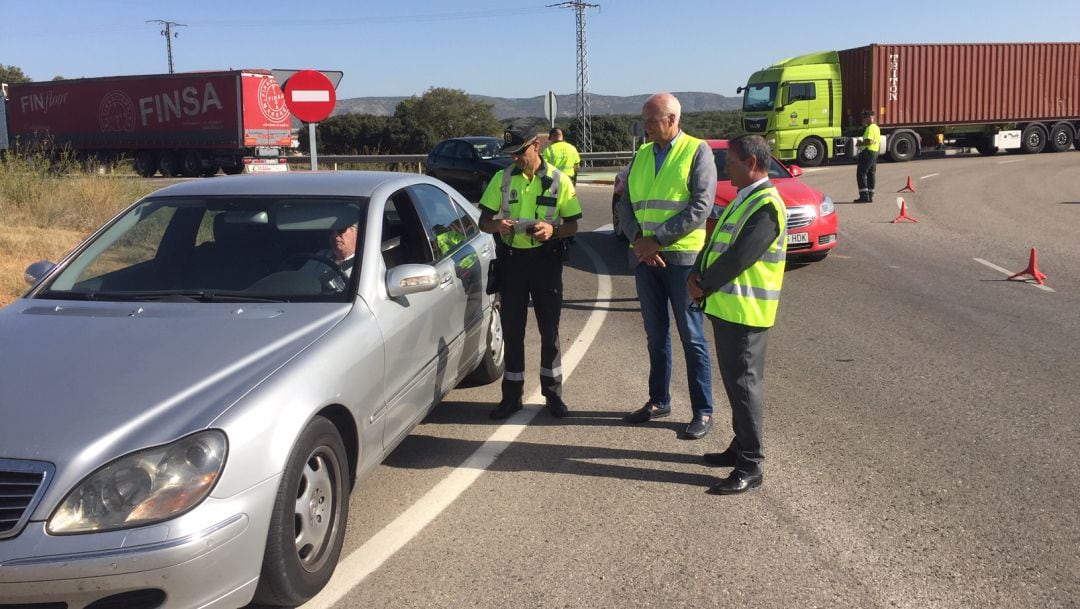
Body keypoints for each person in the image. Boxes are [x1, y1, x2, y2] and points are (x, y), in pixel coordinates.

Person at [688, 134, 786, 495]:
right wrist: (695, 272)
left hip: (746, 313)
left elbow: (741, 257)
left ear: (752, 163)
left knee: (744, 386)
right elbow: (715, 242)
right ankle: (739, 445)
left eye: (730, 160)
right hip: (728, 309)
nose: (724, 166)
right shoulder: (744, 199)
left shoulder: (766, 205)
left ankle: (751, 462)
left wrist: (703, 284)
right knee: (736, 385)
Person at [615, 92, 716, 439]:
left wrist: (656, 240)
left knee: (692, 336)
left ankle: (703, 410)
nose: (644, 127)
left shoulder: (697, 151)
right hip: (646, 259)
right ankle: (659, 400)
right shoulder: (642, 154)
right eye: (644, 120)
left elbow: (700, 206)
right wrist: (640, 243)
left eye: (650, 121)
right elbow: (625, 203)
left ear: (672, 120)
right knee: (655, 335)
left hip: (681, 259)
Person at [478, 124, 582, 420]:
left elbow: (573, 225)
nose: (514, 159)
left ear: (535, 146)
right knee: (512, 331)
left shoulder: (558, 181)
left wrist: (553, 230)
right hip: (512, 262)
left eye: (519, 153)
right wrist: (497, 225)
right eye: (510, 154)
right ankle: (512, 396)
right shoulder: (501, 178)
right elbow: (483, 221)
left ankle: (553, 395)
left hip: (546, 262)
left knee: (550, 331)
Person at [303, 221, 358, 292]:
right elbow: (300, 280)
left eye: (341, 230)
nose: (335, 235)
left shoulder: (366, 261)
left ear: (357, 233)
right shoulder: (320, 256)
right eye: (330, 232)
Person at [855, 110, 880, 202]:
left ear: (870, 118)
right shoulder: (876, 127)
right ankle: (870, 195)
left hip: (868, 152)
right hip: (875, 152)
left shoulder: (870, 128)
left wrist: (860, 143)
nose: (863, 120)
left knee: (861, 173)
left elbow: (868, 141)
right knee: (871, 173)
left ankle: (864, 196)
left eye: (864, 118)